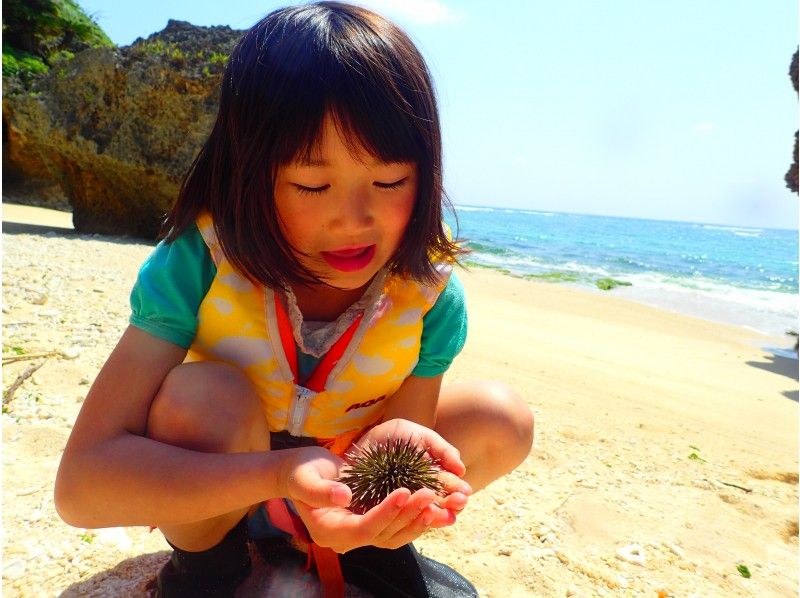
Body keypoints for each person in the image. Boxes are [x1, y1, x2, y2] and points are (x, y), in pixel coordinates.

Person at [54, 2, 534, 596]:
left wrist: (368, 506)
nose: (354, 220)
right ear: (248, 175)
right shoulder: (197, 264)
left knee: (501, 417)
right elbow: (80, 487)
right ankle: (212, 564)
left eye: (389, 182)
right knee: (203, 396)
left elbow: (402, 433)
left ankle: (356, 554)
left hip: (336, 482)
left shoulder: (430, 298)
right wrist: (280, 474)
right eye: (312, 183)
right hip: (217, 480)